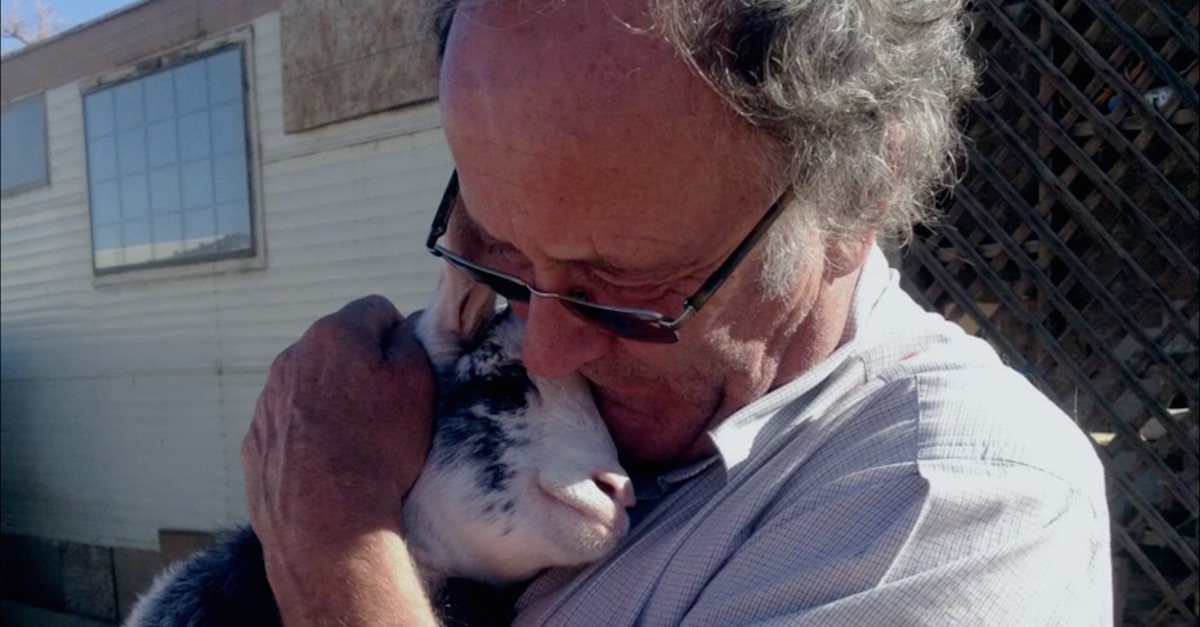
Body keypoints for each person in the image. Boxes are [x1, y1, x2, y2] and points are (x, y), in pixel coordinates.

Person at [241, 0, 1113, 624]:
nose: (544, 349)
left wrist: (335, 541)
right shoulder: (508, 357)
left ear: (854, 196)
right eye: (499, 248)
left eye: (626, 282)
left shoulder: (951, 502)